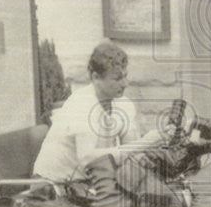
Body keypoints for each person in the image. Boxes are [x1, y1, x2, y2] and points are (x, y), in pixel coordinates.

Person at [32, 41, 142, 182]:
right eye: (117, 78)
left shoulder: (123, 103)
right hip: (53, 187)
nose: (125, 84)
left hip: (85, 184)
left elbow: (132, 150)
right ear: (95, 77)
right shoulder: (81, 104)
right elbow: (87, 159)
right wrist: (144, 144)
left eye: (125, 76)